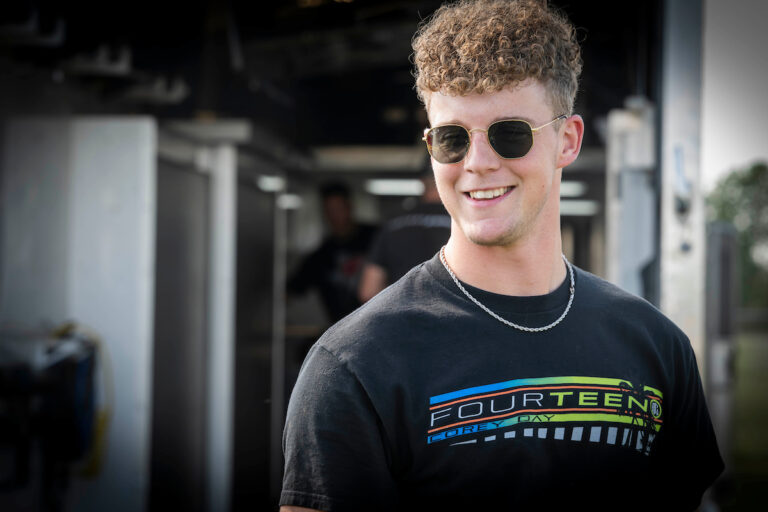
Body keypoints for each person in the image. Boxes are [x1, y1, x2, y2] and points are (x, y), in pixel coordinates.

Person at [281, 1, 723, 511]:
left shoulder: (656, 345)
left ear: (568, 141)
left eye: (509, 134)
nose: (479, 163)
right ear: (431, 147)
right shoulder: (353, 366)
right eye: (452, 139)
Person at [358, 162, 451, 302]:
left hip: (403, 317)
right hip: (453, 318)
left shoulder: (393, 224)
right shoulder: (465, 224)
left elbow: (368, 290)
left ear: (422, 182)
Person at [287, 181, 377, 324]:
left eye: (338, 209)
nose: (335, 216)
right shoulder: (322, 255)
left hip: (377, 324)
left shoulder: (375, 238)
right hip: (339, 331)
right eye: (329, 210)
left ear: (349, 207)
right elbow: (292, 289)